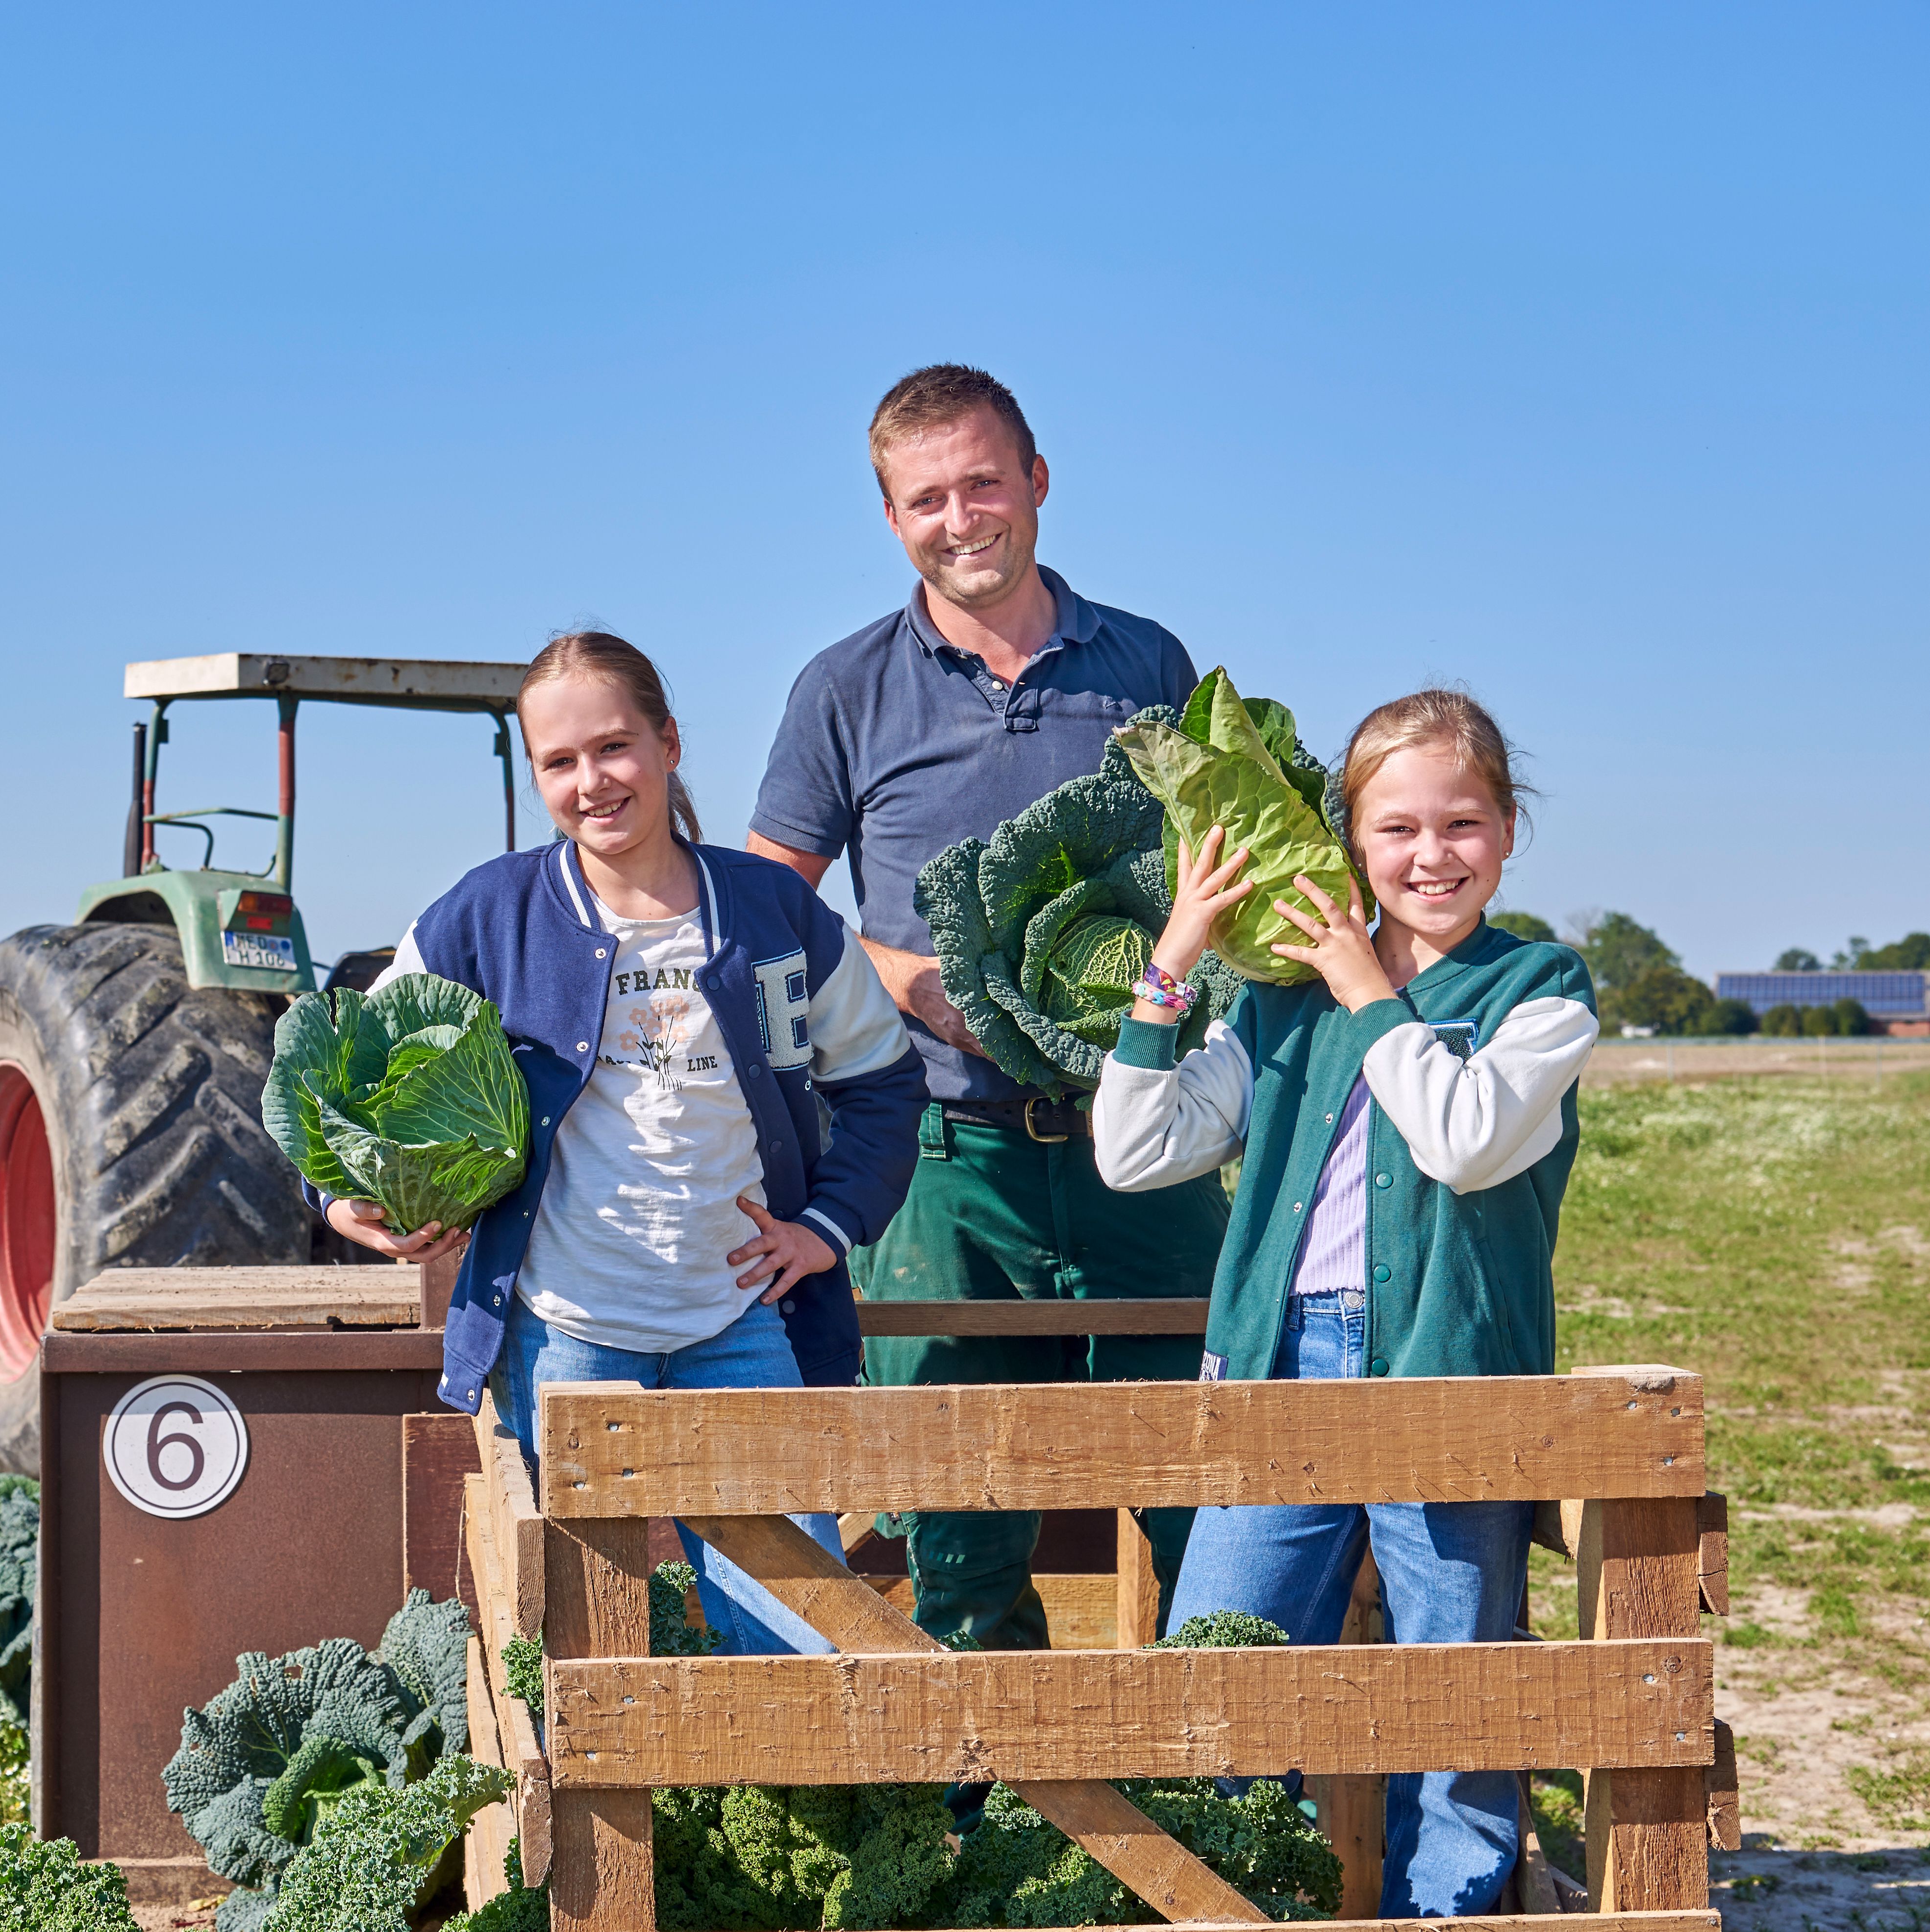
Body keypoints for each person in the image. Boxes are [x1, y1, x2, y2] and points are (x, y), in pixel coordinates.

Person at [1092, 690, 1597, 1916]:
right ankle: (1228, 1903)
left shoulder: (1541, 990)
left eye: (1462, 824)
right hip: (1281, 1363)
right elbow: (1133, 1151)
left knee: (1456, 1701)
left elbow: (1461, 1140)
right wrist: (1175, 957)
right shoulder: (1280, 1003)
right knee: (1217, 1676)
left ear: (1509, 830)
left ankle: (1445, 1914)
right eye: (1396, 829)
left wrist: (1368, 988)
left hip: (1450, 1368)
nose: (1432, 856)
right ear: (1349, 842)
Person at [747, 363, 1228, 1650]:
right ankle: (988, 1779)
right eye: (926, 500)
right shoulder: (843, 687)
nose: (959, 520)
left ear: (1037, 482)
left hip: (1145, 1148)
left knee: (1210, 1498)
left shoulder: (1146, 663)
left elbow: (1213, 867)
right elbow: (764, 911)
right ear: (890, 517)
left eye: (982, 484)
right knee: (957, 1539)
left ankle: (1216, 1761)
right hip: (944, 1164)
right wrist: (910, 981)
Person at [322, 631, 927, 1653]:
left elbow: (881, 1082)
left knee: (796, 1644)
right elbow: (346, 1077)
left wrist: (827, 1226)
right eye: (558, 761)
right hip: (567, 1336)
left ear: (668, 744)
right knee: (583, 1647)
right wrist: (341, 1194)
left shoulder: (772, 912)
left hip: (742, 1321)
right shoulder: (488, 917)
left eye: (612, 747)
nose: (590, 782)